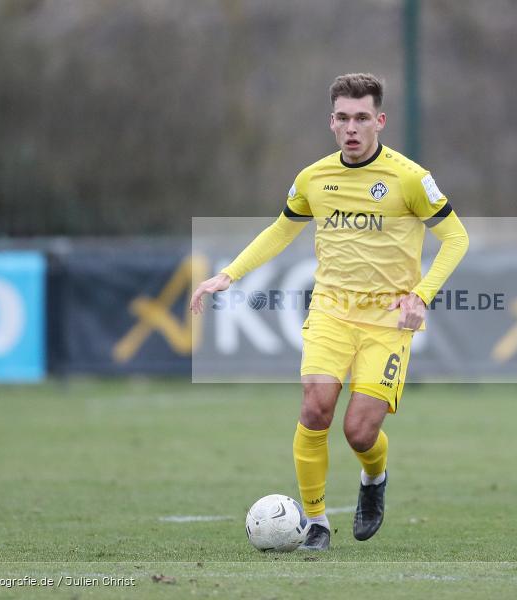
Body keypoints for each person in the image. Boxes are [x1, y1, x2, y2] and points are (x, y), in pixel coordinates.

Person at [190, 73, 469, 550]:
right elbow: (281, 230)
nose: (352, 127)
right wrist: (229, 274)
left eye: (362, 118)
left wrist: (420, 296)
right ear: (331, 123)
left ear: (380, 121)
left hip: (386, 322)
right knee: (316, 408)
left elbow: (455, 238)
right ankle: (316, 523)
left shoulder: (409, 179)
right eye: (343, 118)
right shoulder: (313, 179)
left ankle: (374, 479)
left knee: (359, 432)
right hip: (330, 312)